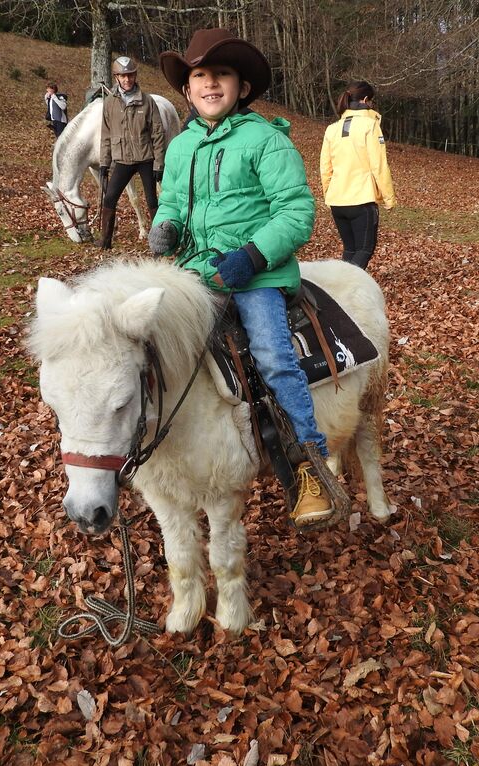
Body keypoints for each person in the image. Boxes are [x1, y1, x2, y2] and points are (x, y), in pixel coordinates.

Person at [147, 28, 348, 530]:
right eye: (199, 76)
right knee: (155, 350)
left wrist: (254, 255)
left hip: (256, 274)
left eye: (221, 75)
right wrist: (164, 226)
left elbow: (297, 210)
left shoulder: (265, 139)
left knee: (275, 359)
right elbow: (172, 200)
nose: (209, 84)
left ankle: (310, 469)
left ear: (240, 86)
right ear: (188, 89)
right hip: (195, 273)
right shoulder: (181, 147)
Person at [319, 81, 395, 270]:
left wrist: (328, 193)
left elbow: (325, 168)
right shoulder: (370, 125)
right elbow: (378, 164)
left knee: (350, 250)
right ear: (366, 100)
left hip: (337, 200)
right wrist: (388, 197)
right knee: (364, 249)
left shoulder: (332, 128)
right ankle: (347, 288)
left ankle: (340, 288)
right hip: (361, 198)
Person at [98, 55, 166, 250]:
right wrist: (104, 162)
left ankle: (159, 243)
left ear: (135, 76)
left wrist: (158, 164)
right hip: (122, 160)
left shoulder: (147, 101)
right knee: (109, 197)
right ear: (116, 77)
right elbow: (105, 134)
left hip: (145, 159)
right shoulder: (109, 103)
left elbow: (158, 133)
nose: (127, 80)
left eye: (130, 75)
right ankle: (105, 241)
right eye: (122, 76)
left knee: (152, 199)